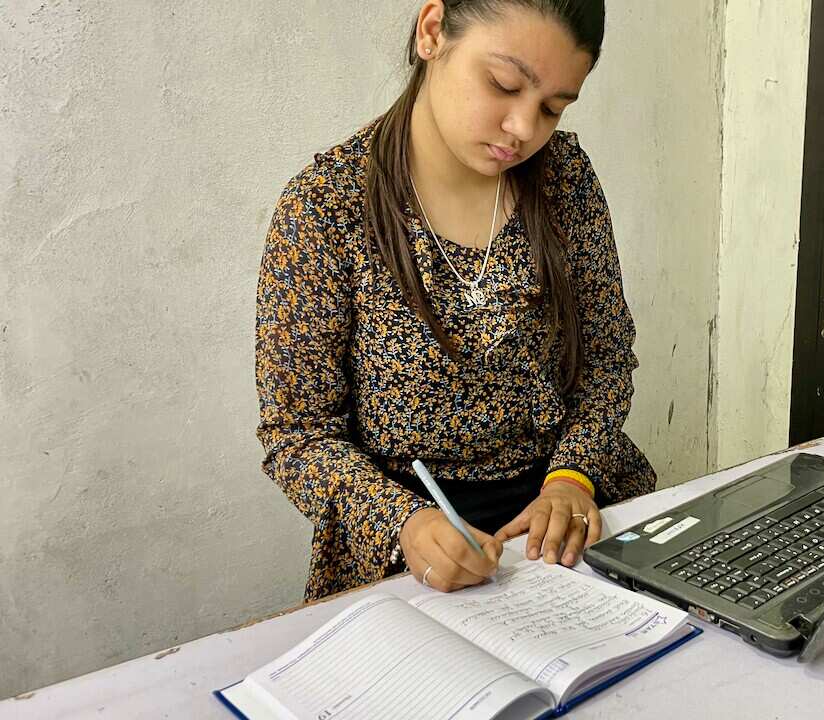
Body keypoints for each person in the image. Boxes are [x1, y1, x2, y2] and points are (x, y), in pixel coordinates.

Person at [255, 0, 655, 601]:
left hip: (569, 523)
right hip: (412, 550)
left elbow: (606, 357)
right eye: (503, 85)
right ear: (433, 31)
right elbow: (298, 433)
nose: (523, 128)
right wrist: (405, 524)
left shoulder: (563, 177)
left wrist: (572, 479)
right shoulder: (328, 207)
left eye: (552, 107)